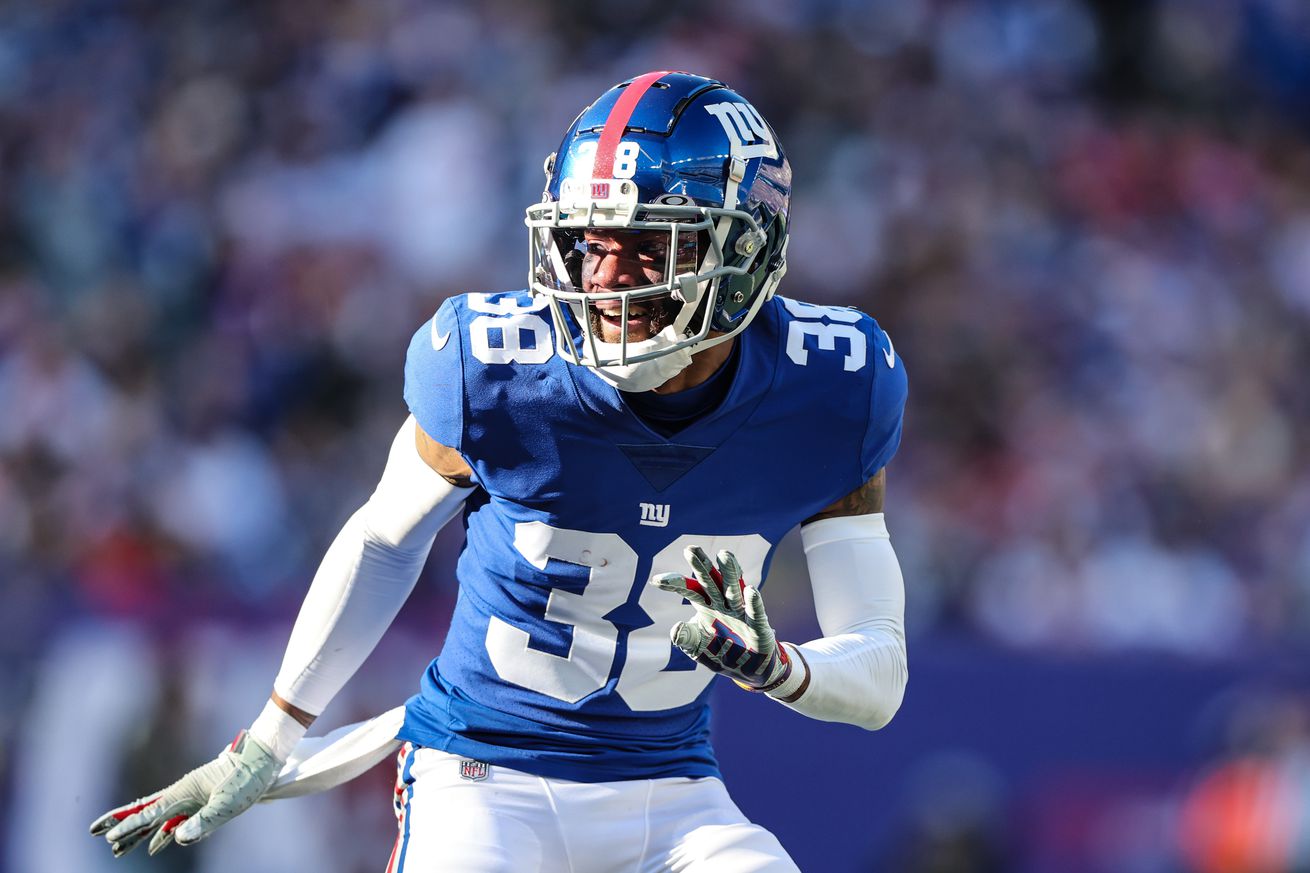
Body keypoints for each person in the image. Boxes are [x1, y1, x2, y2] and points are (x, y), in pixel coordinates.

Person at [89, 70, 910, 872]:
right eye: (591, 244)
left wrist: (781, 668)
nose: (606, 281)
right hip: (483, 778)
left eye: (648, 247)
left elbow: (878, 670)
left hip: (673, 791)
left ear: (744, 250)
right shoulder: (500, 370)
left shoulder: (832, 387)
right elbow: (384, 538)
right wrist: (270, 735)